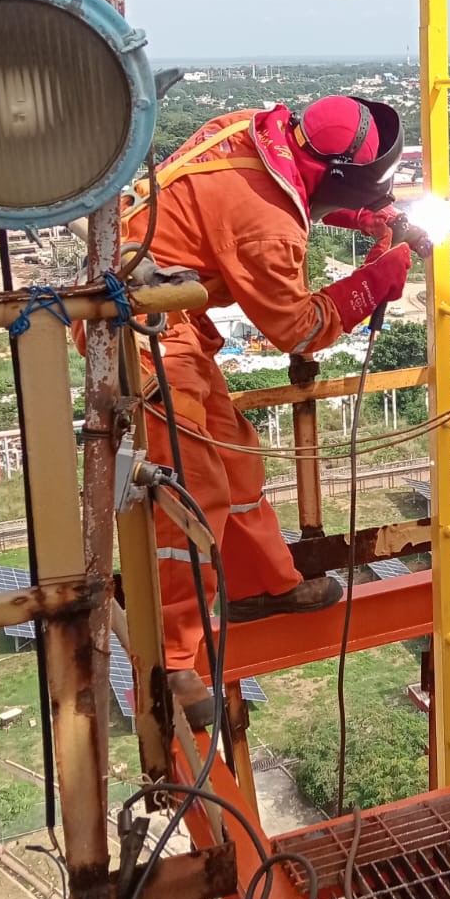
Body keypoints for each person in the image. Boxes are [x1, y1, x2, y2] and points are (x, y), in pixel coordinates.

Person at [125, 95, 414, 728]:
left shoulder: (250, 128)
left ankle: (259, 584)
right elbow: (300, 328)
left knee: (234, 457)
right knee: (189, 487)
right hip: (135, 325)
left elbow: (283, 188)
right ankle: (171, 661)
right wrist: (374, 283)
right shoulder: (269, 228)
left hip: (165, 305)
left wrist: (366, 213)